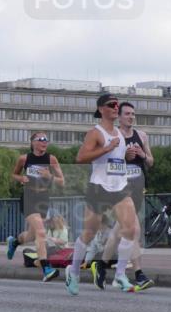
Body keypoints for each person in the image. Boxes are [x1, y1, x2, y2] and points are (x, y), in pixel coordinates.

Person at [64, 94, 145, 295]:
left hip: (119, 187)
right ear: (101, 109)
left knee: (131, 229)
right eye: (111, 105)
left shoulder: (119, 132)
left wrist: (126, 156)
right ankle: (73, 271)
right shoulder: (96, 133)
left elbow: (115, 160)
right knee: (89, 234)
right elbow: (81, 157)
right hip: (99, 188)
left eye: (117, 105)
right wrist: (107, 148)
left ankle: (119, 275)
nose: (115, 108)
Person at [96, 102, 155, 290]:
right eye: (127, 113)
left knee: (118, 232)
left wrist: (142, 155)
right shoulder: (114, 136)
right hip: (118, 189)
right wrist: (124, 157)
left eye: (133, 114)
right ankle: (139, 274)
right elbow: (104, 163)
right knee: (134, 230)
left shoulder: (142, 136)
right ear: (119, 116)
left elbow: (151, 162)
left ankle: (101, 266)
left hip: (137, 188)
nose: (131, 117)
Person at [7, 131, 65, 281]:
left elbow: (62, 181)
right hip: (29, 196)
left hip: (43, 197)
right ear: (33, 142)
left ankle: (15, 241)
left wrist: (49, 176)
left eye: (46, 140)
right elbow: (14, 174)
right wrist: (21, 177)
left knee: (31, 235)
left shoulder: (51, 159)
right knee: (41, 232)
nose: (44, 142)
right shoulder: (24, 159)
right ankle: (46, 269)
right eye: (41, 139)